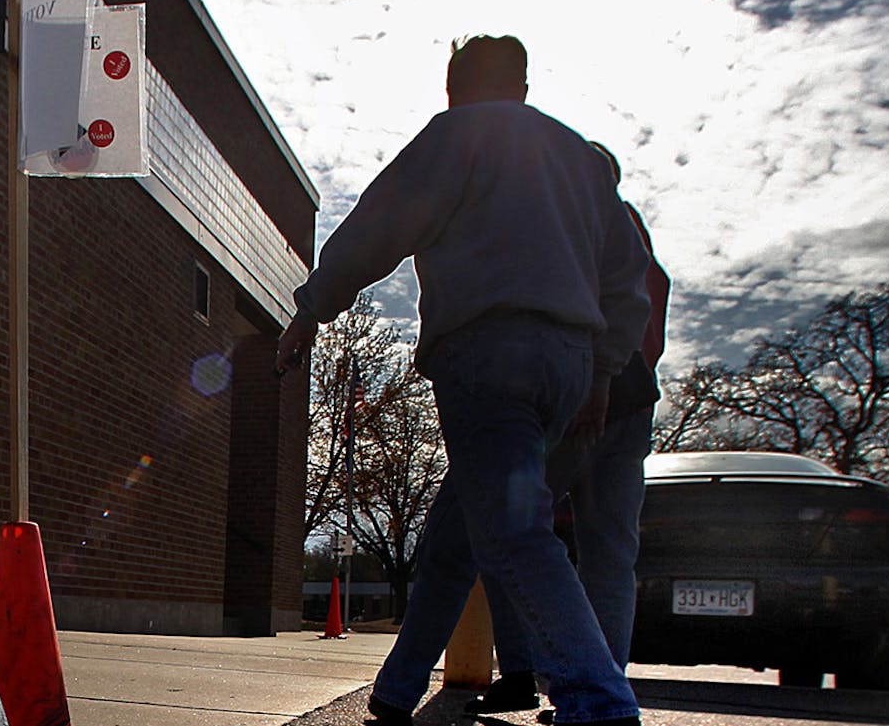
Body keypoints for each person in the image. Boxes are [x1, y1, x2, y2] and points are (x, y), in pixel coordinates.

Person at [273, 36, 652, 726]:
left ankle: (598, 700)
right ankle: (396, 688)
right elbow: (630, 284)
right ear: (524, 86)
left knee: (513, 529)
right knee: (456, 531)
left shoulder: (458, 135)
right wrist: (602, 369)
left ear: (453, 88)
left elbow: (379, 227)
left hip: (488, 355)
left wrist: (311, 309)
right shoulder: (581, 160)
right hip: (568, 365)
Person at [467, 142, 674, 718]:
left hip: (576, 398)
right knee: (611, 552)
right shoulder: (634, 234)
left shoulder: (571, 219)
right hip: (632, 401)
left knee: (510, 532)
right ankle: (605, 683)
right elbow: (650, 317)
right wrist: (631, 373)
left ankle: (523, 672)